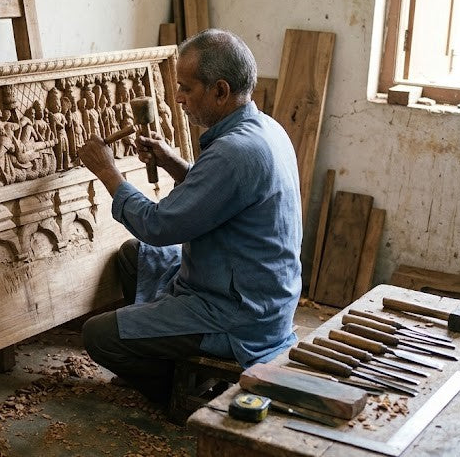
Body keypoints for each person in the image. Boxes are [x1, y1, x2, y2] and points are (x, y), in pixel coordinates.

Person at [77, 29, 302, 406]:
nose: (178, 97)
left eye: (187, 88)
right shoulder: (265, 129)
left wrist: (108, 172)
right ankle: (163, 348)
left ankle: (182, 392)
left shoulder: (234, 152)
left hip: (238, 310)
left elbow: (159, 226)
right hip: (255, 287)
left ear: (220, 90)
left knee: (97, 335)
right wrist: (172, 163)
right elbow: (218, 198)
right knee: (134, 256)